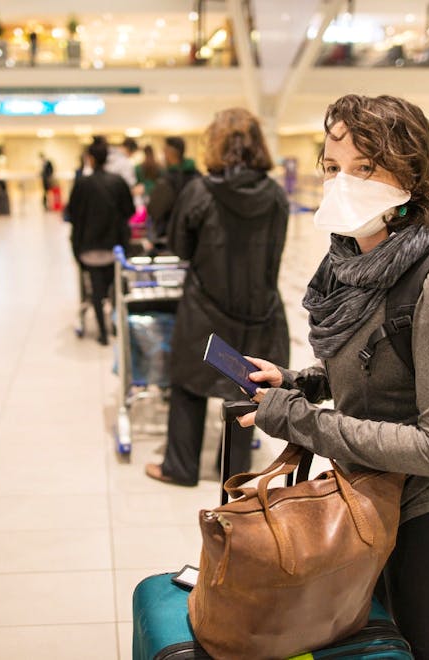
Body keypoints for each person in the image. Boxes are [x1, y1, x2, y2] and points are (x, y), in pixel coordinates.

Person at [235, 94, 429, 660]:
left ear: (410, 175)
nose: (343, 183)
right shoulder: (355, 265)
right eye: (332, 167)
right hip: (379, 502)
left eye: (365, 168)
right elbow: (382, 362)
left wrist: (300, 421)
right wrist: (301, 383)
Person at [144, 108, 289, 486]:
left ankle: (180, 467)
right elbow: (276, 252)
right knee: (246, 391)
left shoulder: (201, 191)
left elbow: (180, 246)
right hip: (259, 309)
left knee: (188, 386)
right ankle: (234, 474)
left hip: (204, 307)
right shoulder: (276, 195)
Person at [65, 140, 135, 345]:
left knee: (96, 290)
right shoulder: (118, 182)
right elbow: (129, 211)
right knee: (114, 287)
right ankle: (114, 325)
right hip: (114, 247)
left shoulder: (82, 184)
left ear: (90, 159)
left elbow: (72, 214)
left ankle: (102, 333)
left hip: (88, 248)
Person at [146, 136, 200, 245]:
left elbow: (155, 210)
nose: (163, 155)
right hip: (194, 236)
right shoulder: (198, 176)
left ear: (170, 152)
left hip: (169, 238)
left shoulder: (166, 180)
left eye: (164, 151)